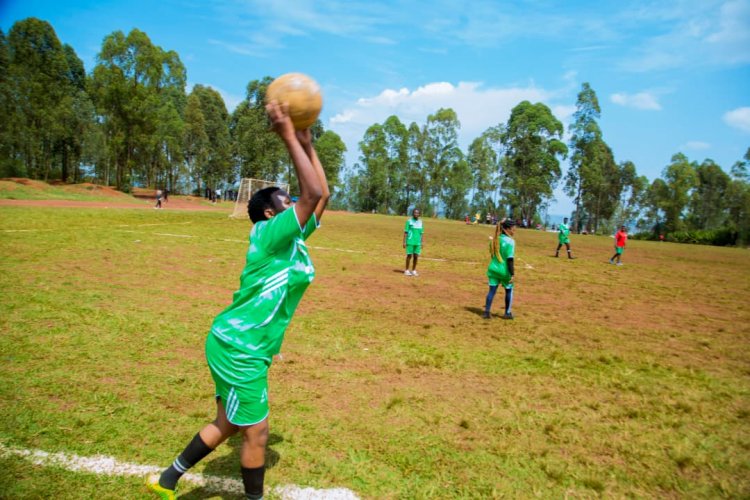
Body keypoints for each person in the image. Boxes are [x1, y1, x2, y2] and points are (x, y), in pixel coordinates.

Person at [147, 100, 329, 500]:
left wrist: (308, 145)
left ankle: (165, 480)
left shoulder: (292, 238)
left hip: (243, 344)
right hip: (239, 347)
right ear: (270, 213)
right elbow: (312, 192)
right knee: (257, 432)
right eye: (285, 200)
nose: (293, 202)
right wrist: (287, 135)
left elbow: (322, 196)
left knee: (228, 422)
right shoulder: (268, 234)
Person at [483, 219, 516, 320]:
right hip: (504, 271)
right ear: (507, 229)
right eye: (513, 228)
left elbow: (492, 253)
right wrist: (512, 274)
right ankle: (507, 313)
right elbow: (510, 260)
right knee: (509, 290)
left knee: (491, 291)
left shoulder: (494, 240)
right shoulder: (511, 242)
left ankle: (486, 312)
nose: (514, 230)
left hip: (493, 269)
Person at [403, 208, 424, 276]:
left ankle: (413, 270)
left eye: (417, 213)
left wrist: (422, 242)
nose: (416, 214)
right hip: (410, 241)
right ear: (413, 213)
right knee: (409, 256)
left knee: (416, 256)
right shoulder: (409, 221)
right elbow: (405, 232)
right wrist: (404, 241)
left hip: (417, 242)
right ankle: (406, 270)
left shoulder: (421, 222)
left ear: (419, 214)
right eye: (415, 213)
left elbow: (421, 233)